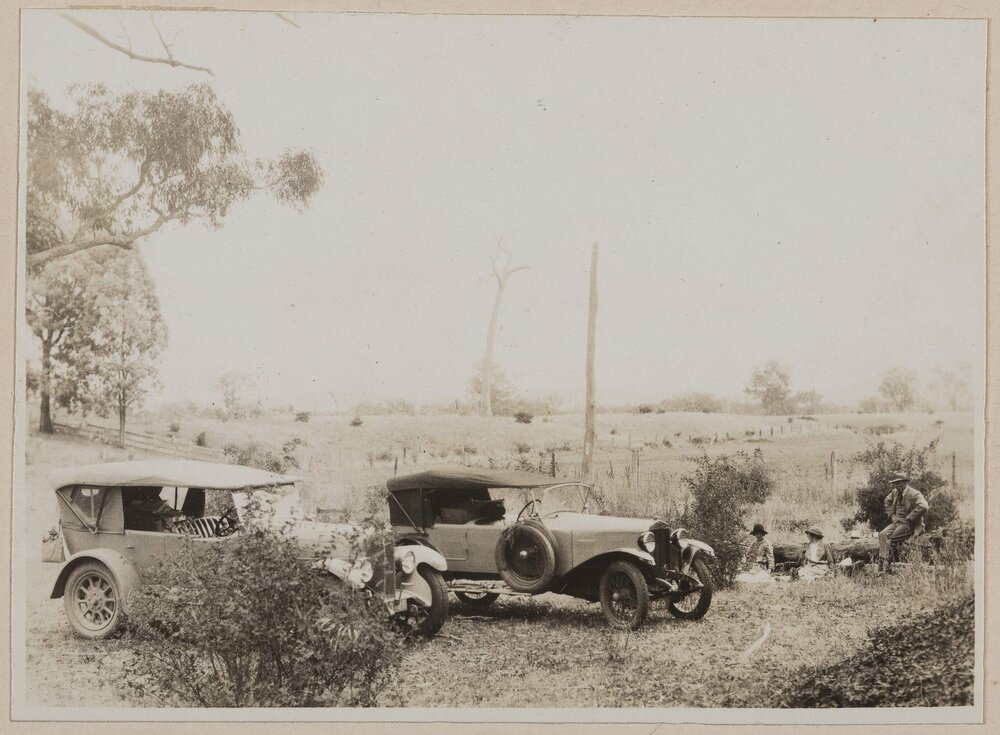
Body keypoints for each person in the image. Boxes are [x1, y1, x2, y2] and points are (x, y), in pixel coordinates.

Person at [878, 471, 929, 571]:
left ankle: (887, 566)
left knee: (891, 539)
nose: (897, 485)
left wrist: (911, 517)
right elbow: (887, 501)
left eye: (899, 483)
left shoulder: (914, 494)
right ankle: (883, 563)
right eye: (895, 483)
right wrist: (892, 515)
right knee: (882, 534)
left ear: (905, 482)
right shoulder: (895, 492)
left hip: (909, 525)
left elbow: (924, 506)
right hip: (897, 522)